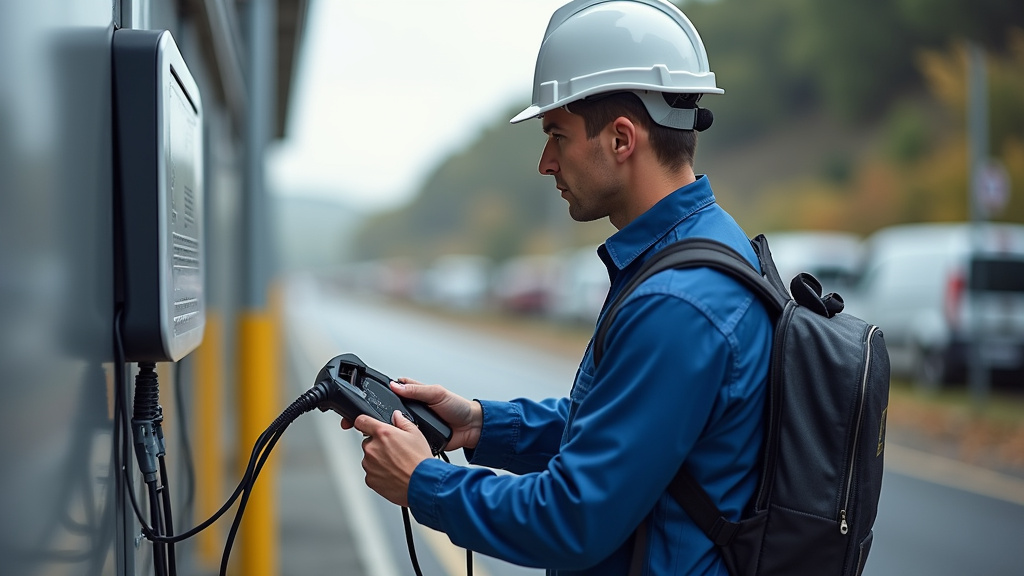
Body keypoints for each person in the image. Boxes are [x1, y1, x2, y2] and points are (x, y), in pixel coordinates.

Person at [344, 1, 773, 574]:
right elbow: (619, 429)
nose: (546, 163)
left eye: (557, 135)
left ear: (622, 139)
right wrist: (478, 423)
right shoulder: (696, 252)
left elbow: (573, 519)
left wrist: (424, 482)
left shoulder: (680, 302)